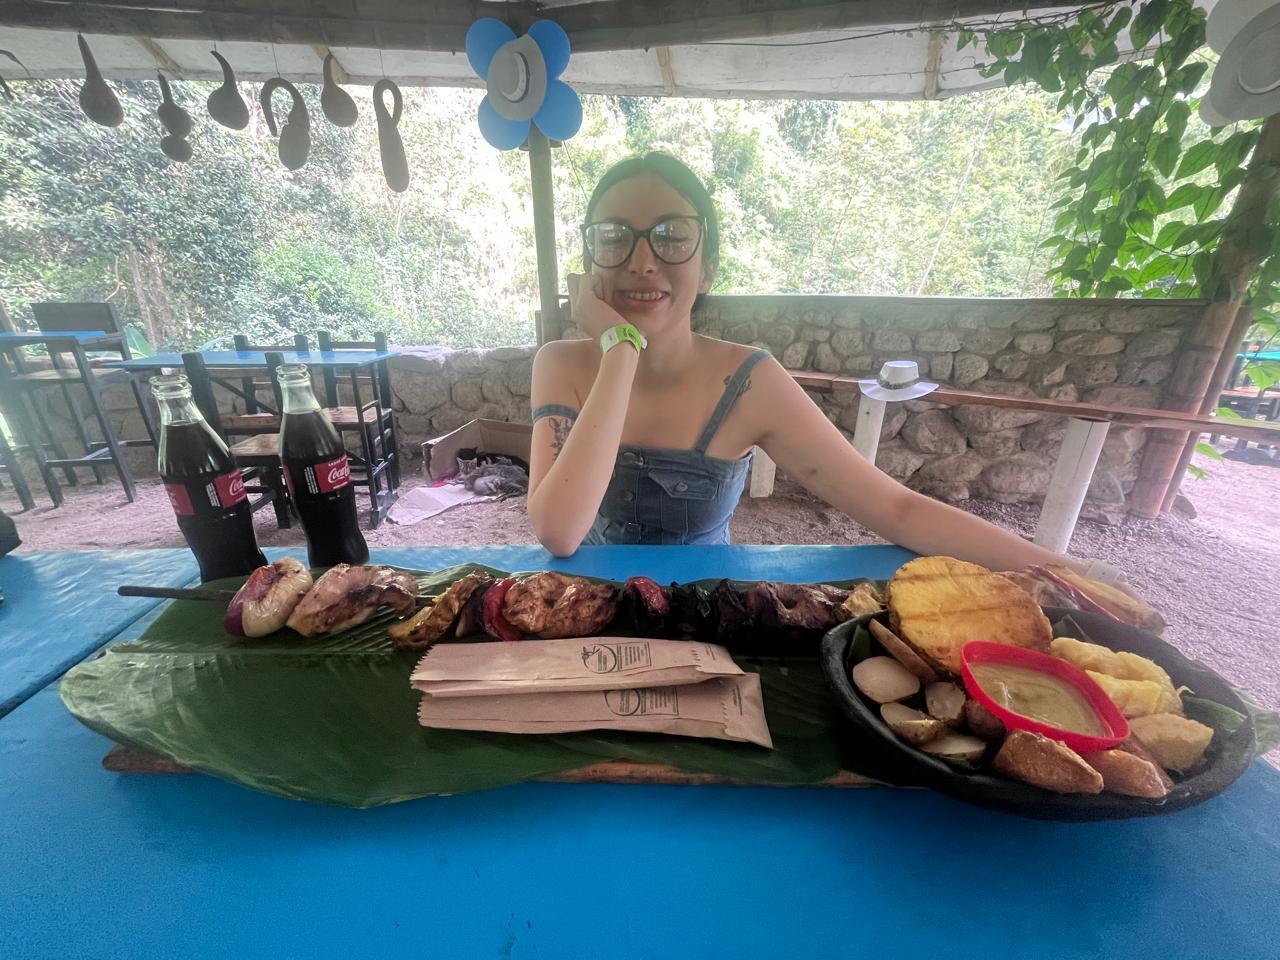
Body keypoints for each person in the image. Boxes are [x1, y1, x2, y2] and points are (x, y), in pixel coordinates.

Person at [526, 151, 1113, 580]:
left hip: (705, 624)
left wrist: (1073, 575)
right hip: (582, 616)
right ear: (590, 262)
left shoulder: (748, 383)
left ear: (708, 270)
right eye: (614, 238)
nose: (642, 261)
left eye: (672, 237)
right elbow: (559, 530)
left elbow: (897, 508)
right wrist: (621, 350)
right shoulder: (560, 364)